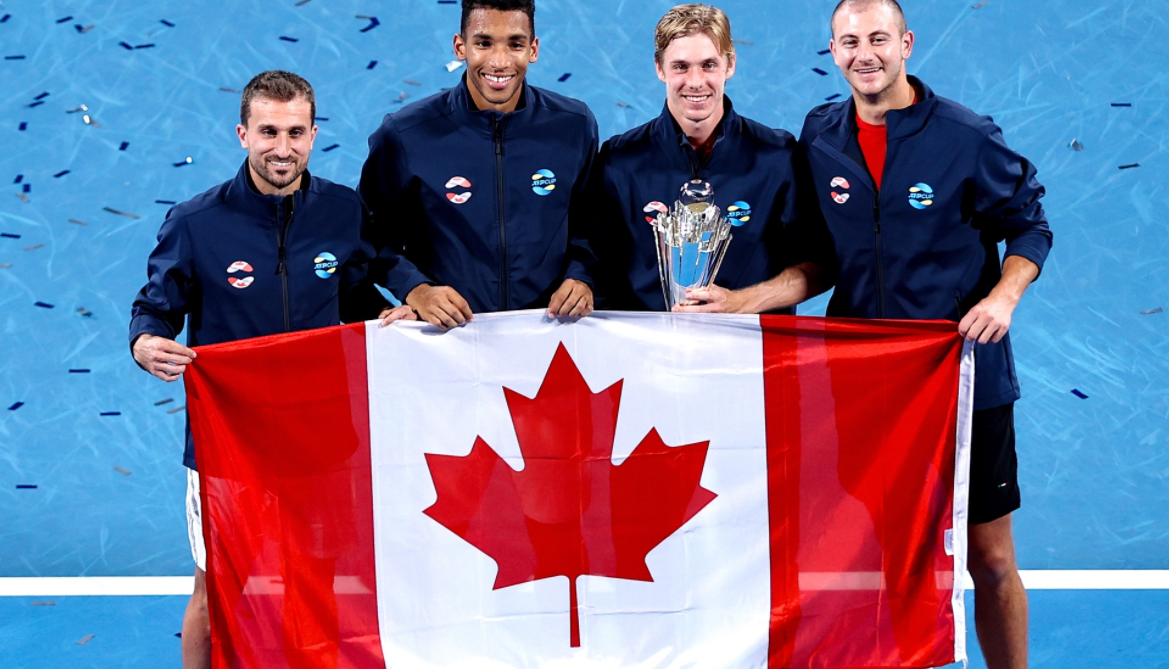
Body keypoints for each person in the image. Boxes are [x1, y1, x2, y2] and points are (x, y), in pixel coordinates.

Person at [679, 1, 1051, 667]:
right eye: (848, 42)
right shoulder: (821, 134)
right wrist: (740, 302)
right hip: (866, 385)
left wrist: (1003, 295)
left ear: (904, 43)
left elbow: (1029, 225)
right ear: (832, 49)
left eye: (878, 38)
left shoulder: (966, 136)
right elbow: (817, 261)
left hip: (962, 380)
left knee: (988, 557)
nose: (864, 54)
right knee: (880, 552)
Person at [128, 70, 409, 669]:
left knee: (342, 580)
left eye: (296, 132)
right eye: (268, 132)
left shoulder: (343, 211)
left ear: (313, 135)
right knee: (216, 586)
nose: (283, 148)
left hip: (327, 439)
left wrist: (393, 318)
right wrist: (145, 344)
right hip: (228, 447)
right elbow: (154, 312)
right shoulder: (195, 222)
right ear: (242, 133)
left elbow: (357, 297)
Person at [359, 0, 599, 328]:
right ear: (461, 46)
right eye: (484, 43)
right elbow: (366, 235)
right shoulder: (405, 134)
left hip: (548, 333)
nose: (499, 62)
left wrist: (582, 276)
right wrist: (417, 289)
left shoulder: (573, 125)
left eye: (515, 44)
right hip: (447, 339)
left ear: (533, 49)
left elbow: (594, 225)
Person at [590, 3, 815, 312]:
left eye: (709, 65)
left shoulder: (777, 156)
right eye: (681, 66)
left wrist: (739, 303)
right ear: (660, 68)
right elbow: (593, 263)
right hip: (648, 354)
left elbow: (817, 265)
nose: (695, 81)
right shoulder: (620, 160)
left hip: (750, 354)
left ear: (730, 65)